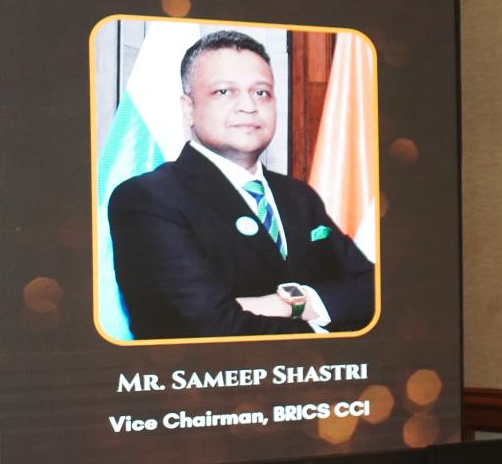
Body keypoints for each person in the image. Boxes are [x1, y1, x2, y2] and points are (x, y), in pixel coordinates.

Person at [106, 30, 374, 340]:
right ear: (188, 108)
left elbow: (374, 290)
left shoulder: (298, 197)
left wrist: (294, 303)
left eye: (261, 92)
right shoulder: (147, 199)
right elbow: (207, 327)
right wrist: (323, 326)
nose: (248, 105)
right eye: (224, 91)